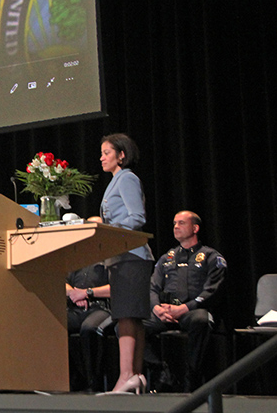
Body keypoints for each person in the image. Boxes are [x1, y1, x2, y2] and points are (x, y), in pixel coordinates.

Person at [145, 210, 227, 392]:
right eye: (174, 223)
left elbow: (212, 291)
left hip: (192, 310)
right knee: (129, 324)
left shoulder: (211, 256)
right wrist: (157, 308)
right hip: (166, 311)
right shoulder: (167, 258)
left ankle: (193, 377)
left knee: (201, 320)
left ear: (195, 228)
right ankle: (161, 371)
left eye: (181, 223)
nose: (176, 227)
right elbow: (152, 288)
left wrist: (184, 308)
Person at [99, 133, 154, 394]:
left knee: (126, 316)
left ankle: (126, 376)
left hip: (131, 256)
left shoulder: (127, 178)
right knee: (130, 317)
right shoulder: (115, 181)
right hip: (121, 257)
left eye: (107, 152)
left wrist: (105, 229)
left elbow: (137, 217)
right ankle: (135, 376)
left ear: (122, 155)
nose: (102, 158)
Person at [65, 261, 111, 392]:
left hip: (101, 308)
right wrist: (74, 294)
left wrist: (87, 293)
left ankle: (93, 382)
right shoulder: (79, 257)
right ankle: (74, 377)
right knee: (55, 326)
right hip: (75, 306)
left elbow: (117, 287)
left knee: (90, 329)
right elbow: (62, 281)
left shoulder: (110, 258)